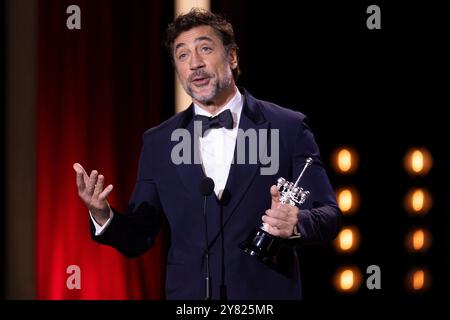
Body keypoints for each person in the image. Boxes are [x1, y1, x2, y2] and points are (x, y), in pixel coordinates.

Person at [73, 8, 341, 300]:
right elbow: (139, 236)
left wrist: (297, 222)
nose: (195, 64)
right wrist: (103, 214)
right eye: (183, 55)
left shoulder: (287, 127)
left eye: (205, 48)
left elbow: (329, 214)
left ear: (233, 57)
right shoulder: (159, 142)